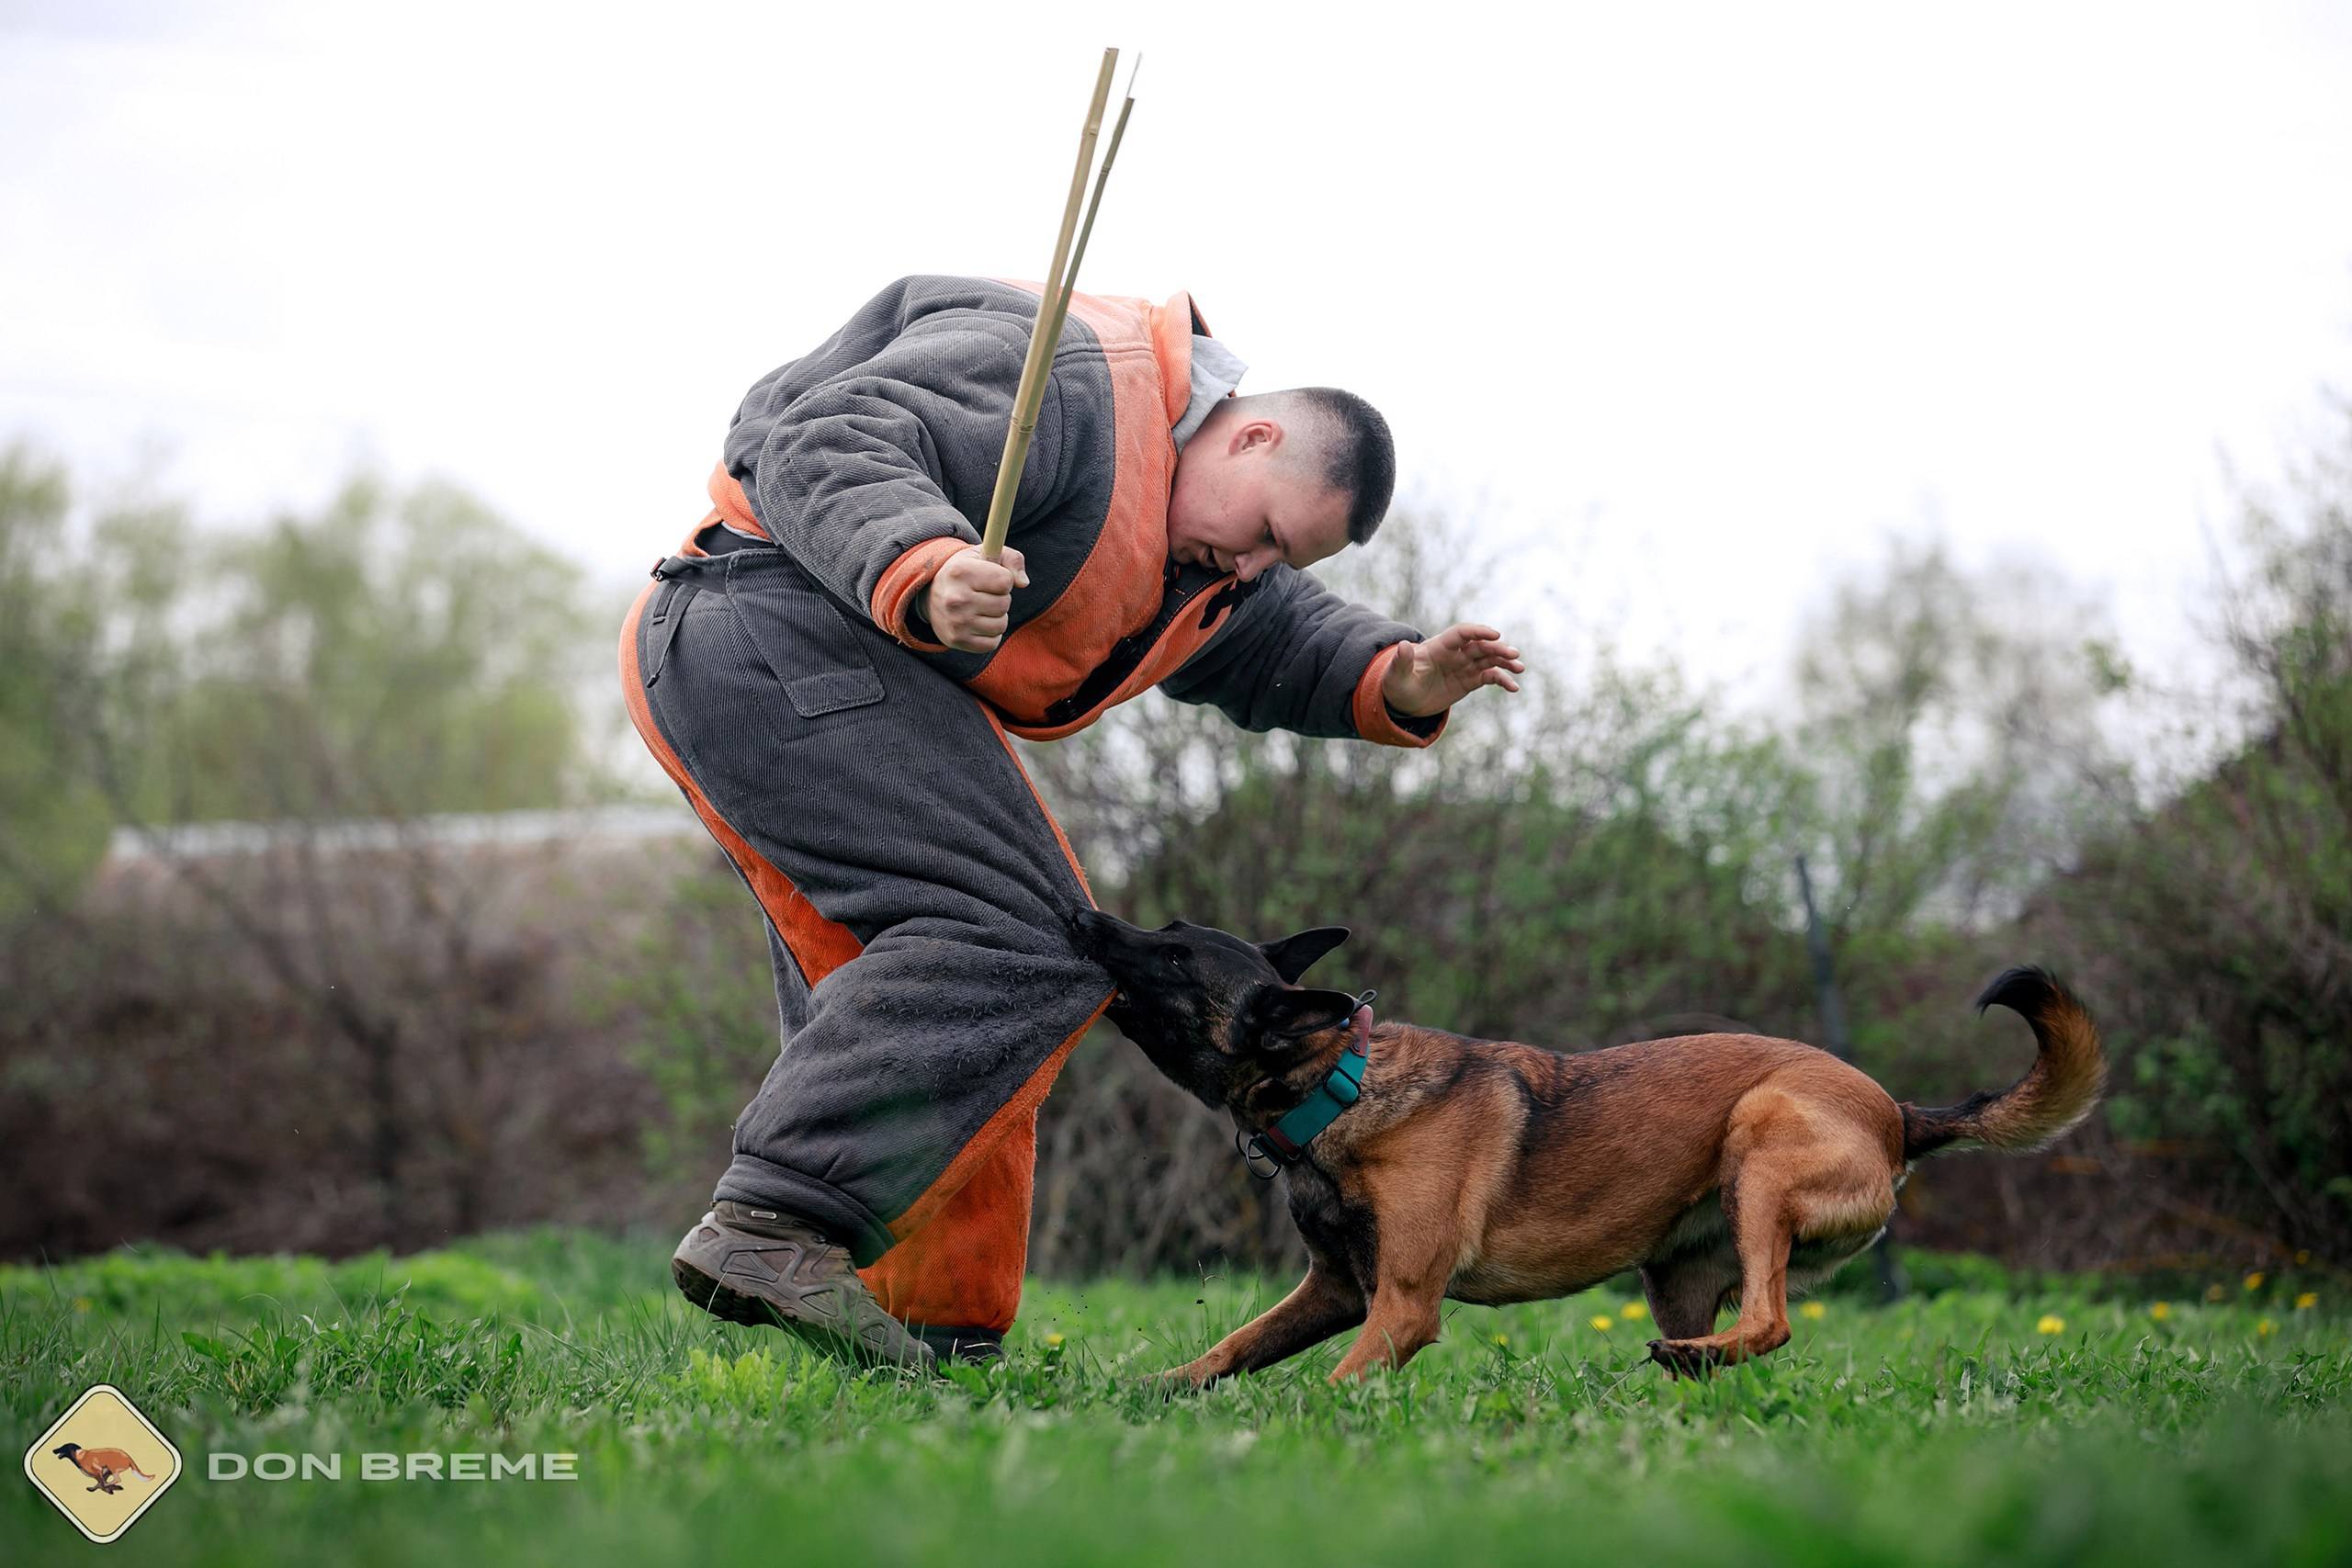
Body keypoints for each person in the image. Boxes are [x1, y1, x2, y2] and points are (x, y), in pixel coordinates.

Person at [623, 276, 1521, 1369]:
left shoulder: (1197, 543)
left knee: (988, 965)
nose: (1253, 565)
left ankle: (933, 1326)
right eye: (1270, 534)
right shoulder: (1069, 376)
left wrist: (1401, 677)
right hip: (766, 621)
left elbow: (1270, 633)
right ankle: (772, 1223)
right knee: (1030, 942)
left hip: (816, 663)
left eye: (1282, 560)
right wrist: (924, 560)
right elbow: (832, 437)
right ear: (1252, 438)